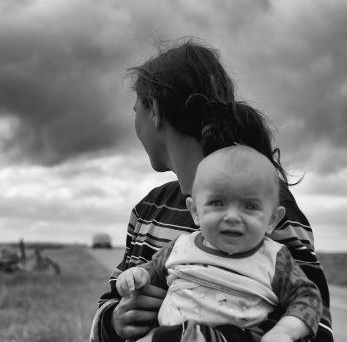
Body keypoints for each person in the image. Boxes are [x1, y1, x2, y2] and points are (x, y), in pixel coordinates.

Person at [89, 38, 333, 342]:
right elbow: (110, 302)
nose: (234, 216)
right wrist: (116, 319)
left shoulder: (268, 204)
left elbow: (316, 323)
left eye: (135, 110)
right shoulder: (148, 211)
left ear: (155, 111)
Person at [116, 145, 323, 342]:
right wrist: (136, 275)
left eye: (250, 206)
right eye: (218, 203)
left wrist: (284, 331)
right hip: (169, 335)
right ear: (196, 211)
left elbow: (308, 298)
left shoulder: (276, 259)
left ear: (271, 220)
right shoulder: (179, 246)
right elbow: (152, 270)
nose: (232, 216)